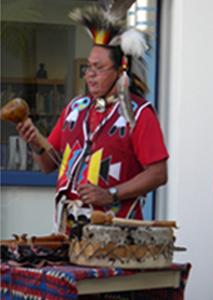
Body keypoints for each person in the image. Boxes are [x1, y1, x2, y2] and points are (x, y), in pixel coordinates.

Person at [16, 2, 168, 234]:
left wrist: (111, 194)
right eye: (88, 67)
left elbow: (158, 174)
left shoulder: (138, 113)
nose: (90, 75)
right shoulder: (75, 109)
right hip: (68, 230)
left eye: (98, 68)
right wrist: (35, 143)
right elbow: (48, 164)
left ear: (121, 70)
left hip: (116, 233)